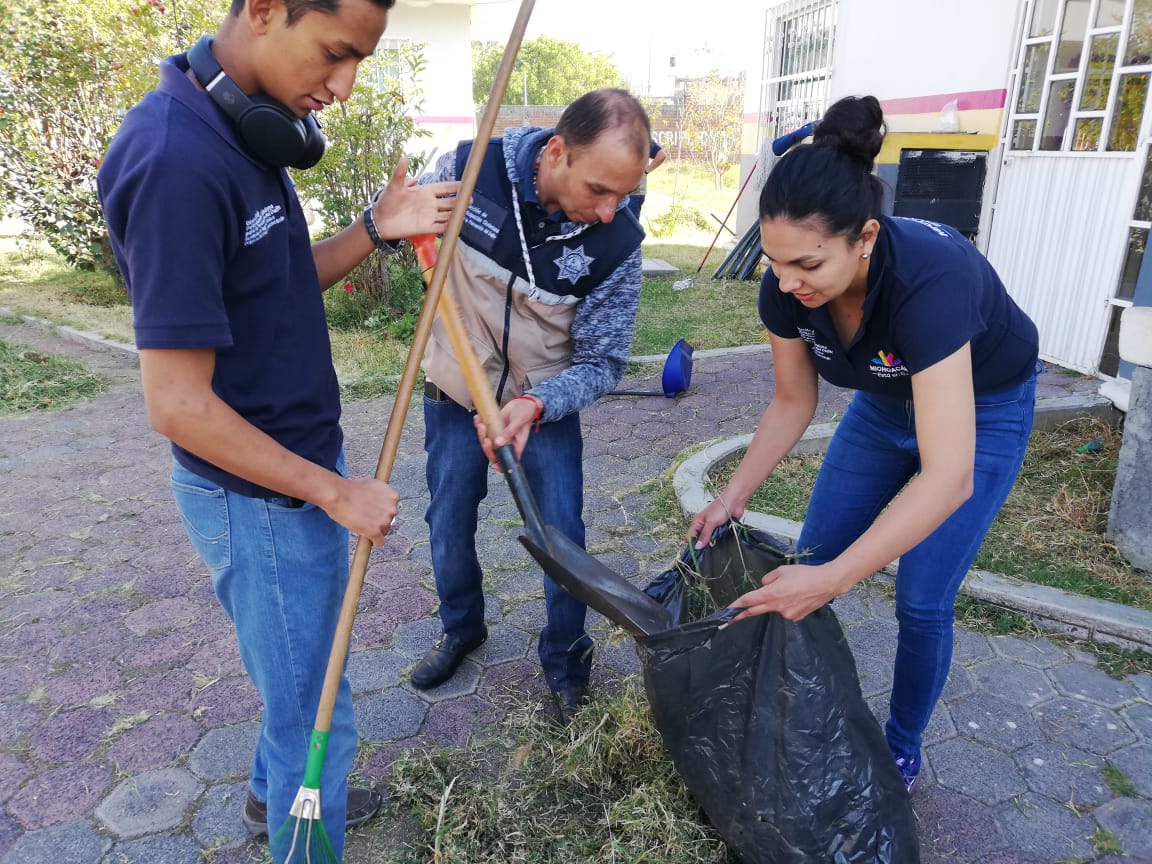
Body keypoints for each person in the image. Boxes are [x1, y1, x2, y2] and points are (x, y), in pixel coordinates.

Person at [96, 0, 457, 857]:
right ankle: (301, 828)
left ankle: (270, 799)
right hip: (264, 498)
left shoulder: (246, 128)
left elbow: (278, 279)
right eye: (335, 53)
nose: (342, 85)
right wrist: (336, 493)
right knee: (314, 711)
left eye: (360, 61)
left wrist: (374, 229)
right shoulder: (175, 160)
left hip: (296, 479)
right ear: (263, 9)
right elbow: (176, 405)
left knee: (298, 688)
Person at [690, 95, 1040, 794]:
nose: (789, 283)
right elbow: (794, 400)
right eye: (777, 262)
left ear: (867, 238)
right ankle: (799, 709)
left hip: (988, 405)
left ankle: (901, 749)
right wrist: (734, 495)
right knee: (810, 560)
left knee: (921, 599)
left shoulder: (931, 282)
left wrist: (839, 578)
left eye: (809, 265)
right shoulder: (785, 288)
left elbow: (948, 478)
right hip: (883, 409)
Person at [408, 89, 651, 724]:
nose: (608, 210)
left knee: (562, 535)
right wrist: (400, 226)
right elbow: (400, 235)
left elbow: (603, 363)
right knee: (447, 519)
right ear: (556, 152)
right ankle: (462, 628)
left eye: (624, 194)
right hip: (457, 389)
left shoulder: (618, 243)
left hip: (543, 406)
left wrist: (540, 402)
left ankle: (567, 660)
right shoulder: (465, 170)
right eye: (599, 189)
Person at [625, 138, 666, 220]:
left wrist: (646, 171)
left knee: (629, 228)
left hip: (634, 193)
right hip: (617, 193)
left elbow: (661, 155)